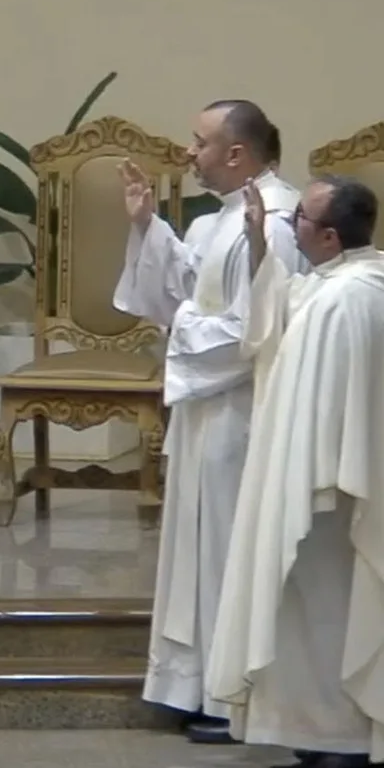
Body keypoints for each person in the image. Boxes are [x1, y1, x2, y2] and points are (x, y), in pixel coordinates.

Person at [112, 99, 308, 745]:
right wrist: (148, 229)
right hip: (207, 409)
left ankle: (234, 697)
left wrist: (183, 336)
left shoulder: (274, 224)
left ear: (236, 153)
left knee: (228, 547)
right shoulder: (217, 220)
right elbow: (182, 294)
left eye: (198, 143)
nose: (186, 153)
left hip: (243, 408)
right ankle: (192, 681)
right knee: (199, 548)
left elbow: (257, 328)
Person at [209, 176, 384, 768]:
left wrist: (302, 486)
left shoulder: (348, 300)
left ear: (330, 236)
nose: (292, 228)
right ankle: (319, 731)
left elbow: (329, 404)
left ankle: (342, 736)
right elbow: (284, 305)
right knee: (310, 615)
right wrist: (260, 241)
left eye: (297, 222)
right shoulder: (345, 283)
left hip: (330, 495)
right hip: (325, 487)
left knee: (331, 612)